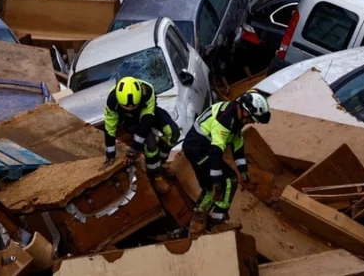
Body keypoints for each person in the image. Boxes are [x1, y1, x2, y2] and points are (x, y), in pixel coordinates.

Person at [184, 92, 271, 234]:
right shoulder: (224, 120)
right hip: (198, 149)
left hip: (202, 146)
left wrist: (243, 171)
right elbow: (215, 153)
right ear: (244, 110)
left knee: (210, 185)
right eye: (251, 118)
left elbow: (237, 145)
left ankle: (197, 220)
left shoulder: (236, 118)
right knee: (228, 180)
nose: (252, 122)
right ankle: (218, 221)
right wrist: (217, 181)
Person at [104, 77, 180, 194]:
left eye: (133, 106)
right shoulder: (112, 101)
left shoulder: (148, 91)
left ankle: (161, 163)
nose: (130, 108)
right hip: (129, 121)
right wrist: (110, 152)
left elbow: (146, 122)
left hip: (148, 114)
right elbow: (110, 128)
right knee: (151, 145)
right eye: (127, 107)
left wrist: (134, 148)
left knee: (173, 133)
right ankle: (156, 175)